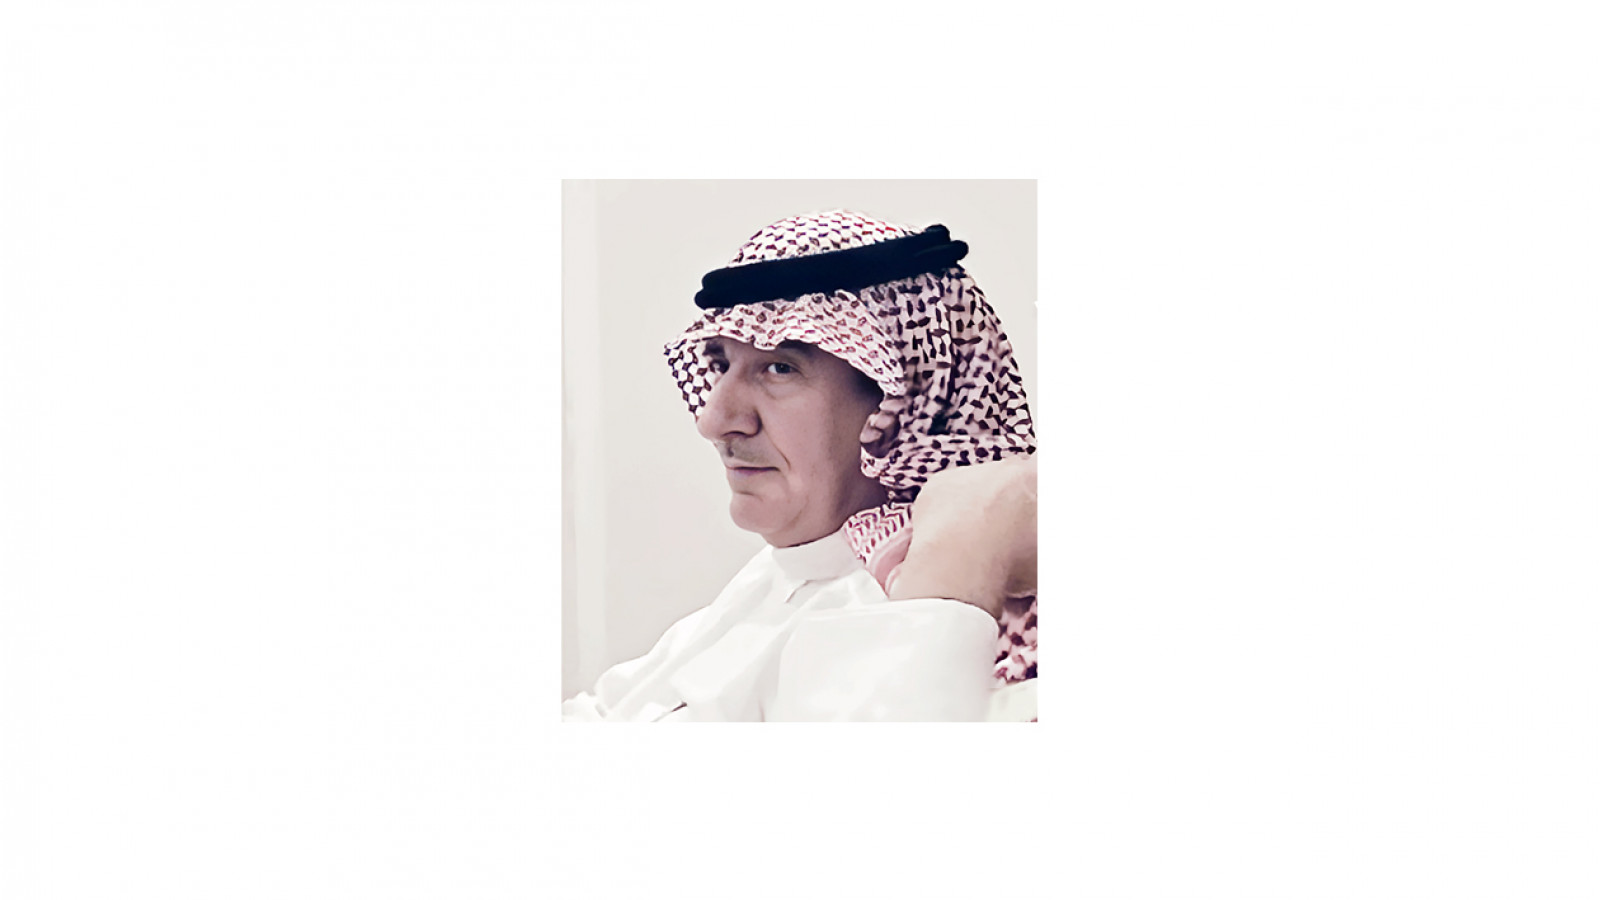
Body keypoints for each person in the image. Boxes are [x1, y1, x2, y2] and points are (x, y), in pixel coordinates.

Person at [562, 210, 1038, 722]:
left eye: (779, 368)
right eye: (721, 365)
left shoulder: (944, 624)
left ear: (910, 404)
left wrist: (955, 564)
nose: (714, 420)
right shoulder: (783, 575)